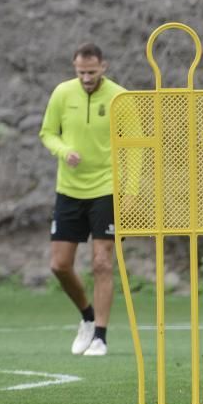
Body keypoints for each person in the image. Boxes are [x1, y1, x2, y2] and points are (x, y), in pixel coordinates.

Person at [39, 42, 126, 357]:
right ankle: (87, 316)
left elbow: (137, 145)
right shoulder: (62, 93)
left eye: (91, 72)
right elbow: (47, 133)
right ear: (74, 69)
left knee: (102, 262)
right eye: (81, 72)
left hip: (106, 187)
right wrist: (64, 152)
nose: (86, 78)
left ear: (103, 66)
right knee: (59, 265)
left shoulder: (119, 97)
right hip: (69, 190)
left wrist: (129, 191)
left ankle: (100, 337)